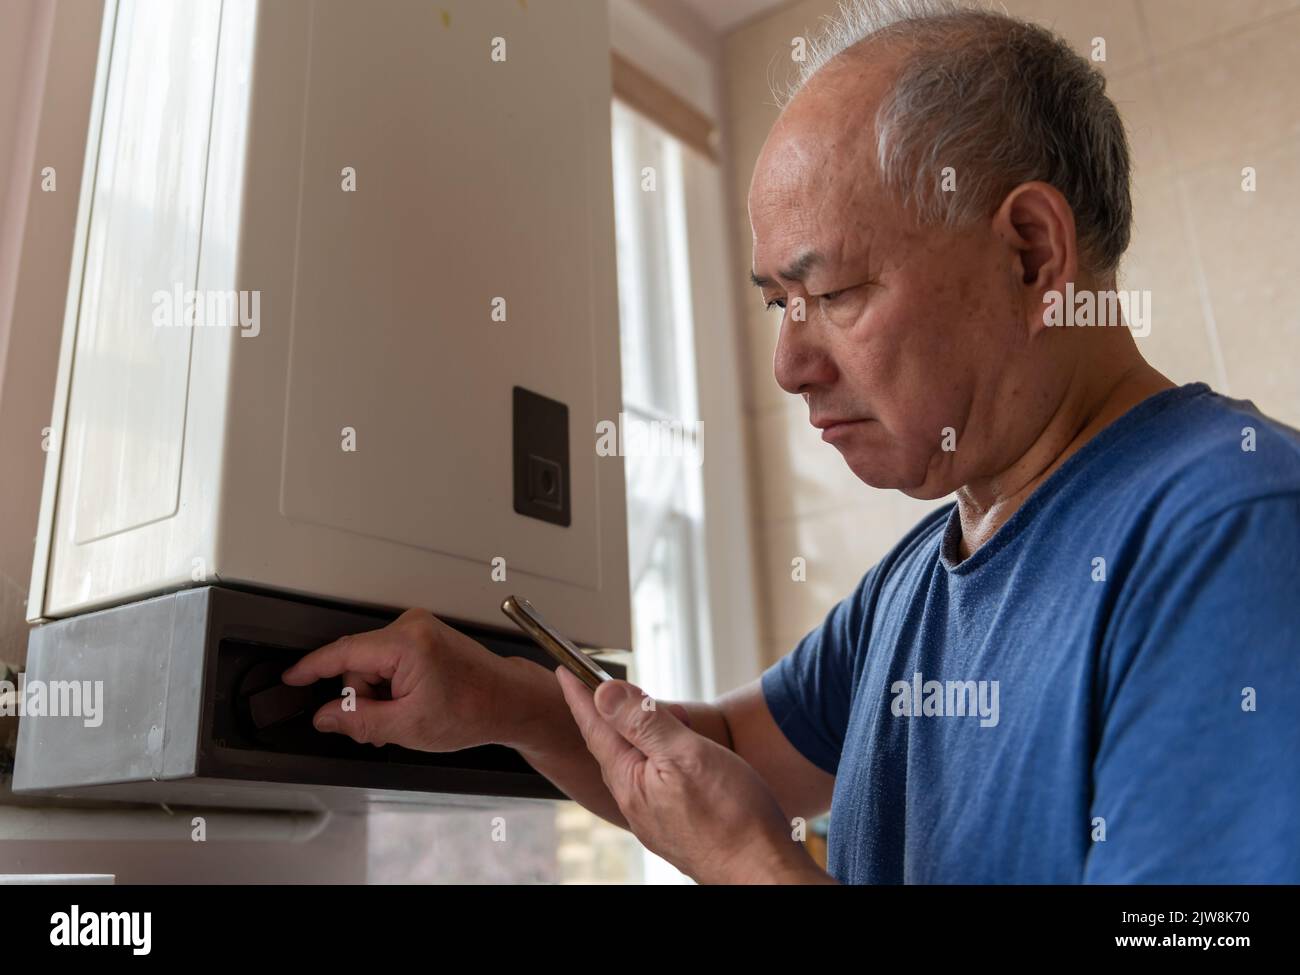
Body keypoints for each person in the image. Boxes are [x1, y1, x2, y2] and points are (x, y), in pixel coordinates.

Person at [283, 0, 1300, 883]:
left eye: (833, 293)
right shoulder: (908, 589)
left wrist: (750, 868)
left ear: (1032, 255)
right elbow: (720, 753)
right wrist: (495, 696)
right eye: (778, 302)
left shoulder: (1233, 537)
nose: (787, 364)